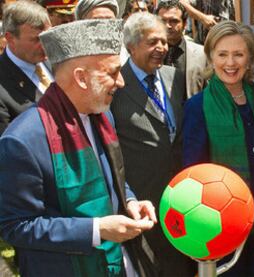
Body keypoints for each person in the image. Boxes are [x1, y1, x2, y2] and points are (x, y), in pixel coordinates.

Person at [0, 19, 158, 276]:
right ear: (81, 78)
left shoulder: (102, 115)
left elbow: (111, 175)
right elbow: (16, 226)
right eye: (112, 72)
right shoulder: (21, 141)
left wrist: (128, 200)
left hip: (118, 262)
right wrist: (96, 230)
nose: (121, 83)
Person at [183, 20, 254, 276]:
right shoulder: (198, 106)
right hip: (221, 223)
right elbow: (193, 173)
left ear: (250, 59)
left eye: (238, 54)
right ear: (210, 57)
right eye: (222, 54)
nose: (230, 63)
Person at [110, 12, 196, 276]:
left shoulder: (174, 77)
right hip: (143, 199)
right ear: (131, 46)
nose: (161, 48)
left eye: (164, 42)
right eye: (152, 42)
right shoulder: (116, 85)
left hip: (182, 194)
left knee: (184, 262)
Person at [0, 0, 52, 135]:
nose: (45, 45)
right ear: (10, 38)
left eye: (48, 37)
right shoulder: (3, 84)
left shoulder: (58, 61)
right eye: (36, 39)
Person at [156, 0, 206, 100]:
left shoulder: (202, 54)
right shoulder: (149, 54)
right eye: (163, 21)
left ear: (184, 24)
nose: (167, 26)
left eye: (174, 21)